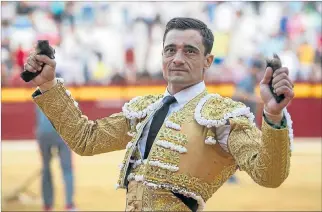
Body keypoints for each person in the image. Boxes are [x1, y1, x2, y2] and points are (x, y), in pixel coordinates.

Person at [25, 17, 294, 211]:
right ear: (162, 56)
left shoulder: (223, 116)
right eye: (170, 50)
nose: (177, 58)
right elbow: (86, 140)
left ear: (207, 62)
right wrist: (48, 86)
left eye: (190, 51)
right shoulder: (145, 109)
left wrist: (272, 116)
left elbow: (269, 175)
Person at [35, 106, 76, 211]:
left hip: (44, 133)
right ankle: (69, 205)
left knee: (46, 168)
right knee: (67, 169)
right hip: (62, 132)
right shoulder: (65, 91)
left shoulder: (39, 92)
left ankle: (47, 206)